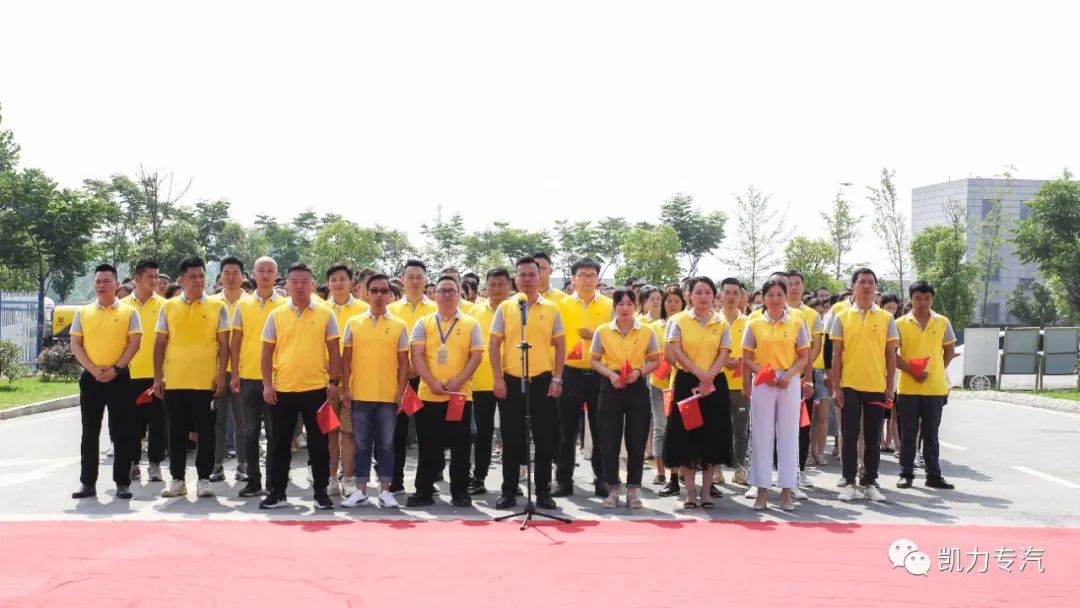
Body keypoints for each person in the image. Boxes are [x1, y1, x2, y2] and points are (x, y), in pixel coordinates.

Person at [259, 262, 341, 510]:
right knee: (279, 444)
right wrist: (267, 385)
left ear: (313, 284)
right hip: (283, 389)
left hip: (317, 389)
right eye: (294, 281)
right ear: (286, 285)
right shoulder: (276, 315)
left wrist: (334, 382)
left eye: (305, 281)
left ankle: (321, 493)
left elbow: (334, 351)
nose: (299, 286)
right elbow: (266, 353)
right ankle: (277, 492)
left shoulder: (325, 313)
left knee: (319, 444)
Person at [490, 256, 566, 510]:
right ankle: (509, 490)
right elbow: (494, 344)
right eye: (522, 275)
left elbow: (560, 344)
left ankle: (543, 491)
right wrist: (498, 378)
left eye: (532, 274)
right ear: (515, 278)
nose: (527, 279)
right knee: (511, 439)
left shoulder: (551, 308)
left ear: (540, 276)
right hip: (512, 381)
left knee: (544, 439)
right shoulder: (506, 307)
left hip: (542, 381)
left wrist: (557, 378)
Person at [154, 256, 231, 499]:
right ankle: (177, 480)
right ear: (181, 279)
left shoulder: (217, 306)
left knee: (206, 433)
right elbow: (160, 343)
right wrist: (158, 377)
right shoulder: (168, 307)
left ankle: (204, 479)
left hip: (205, 382)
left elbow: (224, 344)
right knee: (175, 433)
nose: (198, 280)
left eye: (202, 276)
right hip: (175, 381)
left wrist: (221, 375)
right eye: (193, 276)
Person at [408, 275, 484, 507]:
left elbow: (476, 356)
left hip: (459, 396)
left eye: (452, 291)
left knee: (461, 446)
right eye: (442, 291)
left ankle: (460, 492)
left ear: (459, 295)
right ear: (435, 295)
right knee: (428, 446)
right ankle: (424, 491)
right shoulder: (424, 323)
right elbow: (417, 355)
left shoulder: (471, 324)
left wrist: (459, 380)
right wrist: (431, 382)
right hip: (429, 394)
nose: (447, 295)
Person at [70, 264, 142, 500]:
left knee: (122, 432)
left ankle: (122, 482)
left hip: (119, 378)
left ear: (117, 284)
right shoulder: (83, 312)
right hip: (91, 379)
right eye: (98, 281)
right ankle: (87, 483)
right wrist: (92, 369)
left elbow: (135, 343)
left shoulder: (129, 312)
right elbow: (75, 344)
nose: (101, 285)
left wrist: (116, 369)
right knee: (90, 432)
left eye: (106, 281)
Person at [663, 276, 734, 509]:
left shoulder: (721, 322)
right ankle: (690, 493)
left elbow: (724, 352)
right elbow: (676, 351)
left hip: (714, 384)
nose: (703, 297)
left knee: (712, 436)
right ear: (689, 295)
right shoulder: (678, 320)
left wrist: (709, 375)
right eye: (698, 292)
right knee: (687, 437)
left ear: (714, 295)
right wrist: (699, 374)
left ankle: (706, 492)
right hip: (687, 382)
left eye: (708, 292)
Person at [340, 273, 409, 508]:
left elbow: (404, 362)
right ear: (367, 294)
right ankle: (360, 490)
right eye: (375, 290)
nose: (379, 295)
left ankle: (385, 490)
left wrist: (401, 391)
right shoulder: (354, 323)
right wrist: (346, 388)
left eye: (384, 291)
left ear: (389, 295)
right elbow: (346, 359)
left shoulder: (399, 325)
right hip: (359, 394)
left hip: (388, 397)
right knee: (362, 446)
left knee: (386, 446)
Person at [742, 279, 812, 511]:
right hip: (763, 380)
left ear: (785, 296)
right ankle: (761, 490)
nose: (775, 299)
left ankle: (786, 492)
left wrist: (790, 375)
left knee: (789, 436)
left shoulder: (797, 321)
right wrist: (764, 374)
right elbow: (747, 357)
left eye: (779, 294)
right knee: (761, 435)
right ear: (763, 297)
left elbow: (804, 356)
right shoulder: (754, 322)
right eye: (770, 295)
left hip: (789, 381)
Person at [830, 267, 898, 502]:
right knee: (849, 436)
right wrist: (836, 387)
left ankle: (869, 482)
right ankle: (849, 482)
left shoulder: (886, 318)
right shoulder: (841, 317)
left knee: (872, 437)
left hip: (876, 386)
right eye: (862, 282)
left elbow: (891, 355)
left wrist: (890, 387)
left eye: (871, 282)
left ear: (876, 287)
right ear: (853, 286)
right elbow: (836, 355)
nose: (867, 286)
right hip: (849, 385)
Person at [590, 289, 661, 508]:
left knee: (636, 441)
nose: (625, 308)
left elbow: (655, 360)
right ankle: (612, 490)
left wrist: (639, 372)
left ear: (637, 307)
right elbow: (594, 360)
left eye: (630, 304)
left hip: (636, 386)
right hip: (611, 386)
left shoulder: (647, 331)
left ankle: (632, 491)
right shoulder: (603, 331)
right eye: (620, 304)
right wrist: (611, 375)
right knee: (608, 440)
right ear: (614, 307)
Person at [554, 258, 613, 498]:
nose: (587, 280)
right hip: (570, 372)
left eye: (591, 275)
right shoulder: (561, 305)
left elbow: (619, 336)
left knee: (600, 430)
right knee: (566, 431)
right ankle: (563, 480)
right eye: (582, 275)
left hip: (600, 373)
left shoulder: (609, 305)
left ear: (598, 279)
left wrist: (595, 335)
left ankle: (602, 479)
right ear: (573, 279)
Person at [229, 256, 287, 498]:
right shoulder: (242, 305)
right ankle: (253, 480)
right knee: (249, 432)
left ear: (276, 275)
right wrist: (234, 372)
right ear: (253, 274)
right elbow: (236, 341)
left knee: (274, 433)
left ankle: (273, 482)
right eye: (261, 270)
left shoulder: (285, 305)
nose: (265, 275)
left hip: (276, 378)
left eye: (270, 271)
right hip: (248, 377)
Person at [895, 281, 957, 490]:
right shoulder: (900, 323)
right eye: (918, 298)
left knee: (931, 434)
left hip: (934, 388)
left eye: (927, 298)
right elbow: (891, 355)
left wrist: (938, 369)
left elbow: (949, 350)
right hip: (908, 387)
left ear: (932, 299)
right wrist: (912, 370)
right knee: (908, 434)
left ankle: (933, 475)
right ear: (911, 299)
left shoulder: (943, 322)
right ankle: (906, 474)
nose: (923, 303)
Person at [387, 259, 437, 494]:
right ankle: (395, 480)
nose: (415, 281)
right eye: (410, 277)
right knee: (397, 433)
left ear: (426, 280)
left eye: (419, 277)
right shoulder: (392, 310)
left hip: (427, 378)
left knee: (428, 432)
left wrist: (419, 366)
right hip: (400, 379)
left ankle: (426, 482)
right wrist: (405, 367)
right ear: (402, 280)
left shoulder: (436, 309)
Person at [466, 267, 513, 495]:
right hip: (481, 381)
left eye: (501, 284)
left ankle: (511, 481)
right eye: (492, 284)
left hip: (511, 379)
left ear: (510, 286)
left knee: (511, 433)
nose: (496, 289)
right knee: (483, 434)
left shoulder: (517, 310)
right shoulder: (474, 312)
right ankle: (479, 478)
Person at [324, 263, 369, 497]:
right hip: (326, 381)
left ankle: (348, 477)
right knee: (330, 432)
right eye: (333, 279)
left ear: (352, 282)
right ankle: (331, 477)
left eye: (343, 279)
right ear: (328, 283)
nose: (338, 283)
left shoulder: (364, 309)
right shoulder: (320, 309)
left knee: (350, 433)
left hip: (354, 382)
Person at [121, 260, 167, 484]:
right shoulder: (122, 306)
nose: (155, 280)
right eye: (150, 276)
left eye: (157, 276)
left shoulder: (166, 306)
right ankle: (133, 462)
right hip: (129, 375)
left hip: (157, 376)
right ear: (136, 279)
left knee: (157, 423)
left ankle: (155, 464)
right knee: (131, 424)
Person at [211, 256, 247, 484]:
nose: (231, 277)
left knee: (243, 421)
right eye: (227, 273)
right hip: (217, 370)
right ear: (220, 276)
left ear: (243, 276)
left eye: (235, 273)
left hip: (244, 370)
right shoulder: (212, 303)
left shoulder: (251, 303)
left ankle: (243, 464)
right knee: (218, 420)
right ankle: (216, 465)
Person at [716, 279, 751, 486]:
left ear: (741, 297)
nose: (731, 297)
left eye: (735, 293)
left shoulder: (748, 322)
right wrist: (722, 361)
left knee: (741, 430)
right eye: (727, 292)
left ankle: (739, 469)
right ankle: (716, 468)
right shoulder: (713, 321)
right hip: (717, 382)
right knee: (717, 428)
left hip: (741, 384)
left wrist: (742, 361)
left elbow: (755, 351)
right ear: (720, 295)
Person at [654, 286, 686, 497]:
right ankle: (660, 471)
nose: (672, 304)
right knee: (661, 427)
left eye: (676, 301)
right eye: (669, 301)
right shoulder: (654, 326)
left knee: (682, 429)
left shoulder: (686, 323)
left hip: (681, 381)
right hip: (659, 382)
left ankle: (682, 471)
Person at [879, 293, 902, 454]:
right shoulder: (880, 322)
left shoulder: (898, 324)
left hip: (895, 371)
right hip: (880, 369)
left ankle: (890, 440)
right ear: (882, 306)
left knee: (893, 409)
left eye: (894, 308)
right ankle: (880, 440)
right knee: (881, 409)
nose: (892, 311)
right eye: (889, 307)